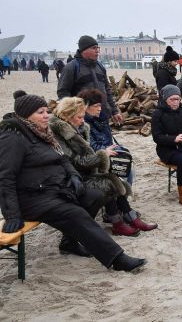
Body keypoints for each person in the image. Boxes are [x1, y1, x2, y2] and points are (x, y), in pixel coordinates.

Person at [0, 94, 146, 272]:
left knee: (95, 194)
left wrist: (73, 175)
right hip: (31, 198)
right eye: (41, 112)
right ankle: (117, 258)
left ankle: (69, 242)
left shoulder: (41, 131)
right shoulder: (13, 137)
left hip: (54, 189)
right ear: (26, 115)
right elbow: (5, 177)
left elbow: (62, 158)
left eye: (47, 111)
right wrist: (12, 215)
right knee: (75, 213)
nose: (47, 115)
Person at [50, 97, 157, 236]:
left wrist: (102, 154)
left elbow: (86, 154)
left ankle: (126, 219)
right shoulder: (58, 133)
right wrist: (101, 155)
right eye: (80, 117)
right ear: (66, 116)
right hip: (71, 177)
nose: (83, 120)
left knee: (111, 179)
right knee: (108, 182)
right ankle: (122, 221)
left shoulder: (80, 127)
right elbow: (73, 161)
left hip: (86, 170)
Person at [57, 35, 123, 125]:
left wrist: (114, 111)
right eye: (93, 48)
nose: (97, 51)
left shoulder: (100, 67)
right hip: (82, 118)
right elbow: (63, 93)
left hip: (102, 115)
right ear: (84, 50)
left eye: (97, 48)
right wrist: (72, 114)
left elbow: (107, 91)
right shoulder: (71, 68)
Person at [79, 89, 135, 185]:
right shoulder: (83, 124)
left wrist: (117, 149)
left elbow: (108, 140)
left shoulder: (102, 119)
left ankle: (124, 194)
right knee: (125, 168)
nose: (99, 109)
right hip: (97, 159)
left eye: (100, 105)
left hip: (108, 152)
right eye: (96, 106)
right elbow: (91, 147)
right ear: (85, 107)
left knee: (127, 163)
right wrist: (106, 151)